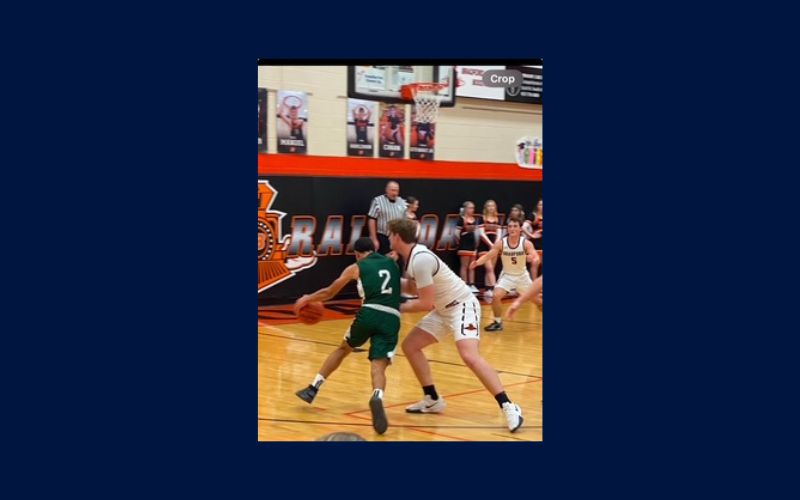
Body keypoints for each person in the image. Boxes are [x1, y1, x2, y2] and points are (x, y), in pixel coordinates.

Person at [387, 218, 524, 433]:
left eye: (389, 234)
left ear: (396, 236)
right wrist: (385, 279)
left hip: (462, 305)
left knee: (469, 355)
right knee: (410, 346)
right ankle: (432, 398)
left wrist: (394, 306)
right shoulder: (413, 257)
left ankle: (508, 405)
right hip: (444, 309)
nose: (388, 238)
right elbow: (414, 288)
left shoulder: (420, 259)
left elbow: (425, 303)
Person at [293, 237, 401, 435]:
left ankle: (313, 388)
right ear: (374, 249)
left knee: (343, 349)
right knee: (379, 364)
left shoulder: (356, 267)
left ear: (357, 254)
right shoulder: (391, 262)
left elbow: (329, 292)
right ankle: (377, 396)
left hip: (369, 312)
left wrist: (307, 298)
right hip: (392, 317)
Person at [471, 217, 539, 332]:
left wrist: (533, 259)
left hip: (522, 277)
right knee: (496, 296)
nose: (512, 229)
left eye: (515, 226)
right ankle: (498, 322)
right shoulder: (501, 243)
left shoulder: (526, 243)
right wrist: (477, 262)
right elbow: (488, 256)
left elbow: (535, 255)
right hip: (507, 276)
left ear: (520, 229)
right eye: (510, 226)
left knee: (538, 302)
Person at [367, 181, 407, 255]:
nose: (395, 193)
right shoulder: (377, 201)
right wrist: (374, 239)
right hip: (382, 237)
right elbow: (372, 219)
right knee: (382, 259)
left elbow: (405, 222)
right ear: (386, 190)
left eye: (397, 191)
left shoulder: (403, 202)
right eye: (392, 190)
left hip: (397, 238)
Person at [477, 200, 502, 298]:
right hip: (483, 246)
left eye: (492, 206)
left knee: (491, 269)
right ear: (486, 208)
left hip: (494, 246)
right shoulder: (482, 218)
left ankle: (488, 289)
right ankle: (494, 288)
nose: (491, 208)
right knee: (489, 268)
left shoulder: (497, 218)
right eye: (489, 206)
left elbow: (499, 233)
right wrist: (490, 244)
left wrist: (496, 244)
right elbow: (481, 233)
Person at [456, 201, 481, 294]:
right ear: (465, 209)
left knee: (472, 266)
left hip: (472, 246)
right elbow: (456, 234)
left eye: (473, 208)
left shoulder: (474, 220)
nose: (472, 210)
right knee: (464, 266)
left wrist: (476, 244)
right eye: (470, 208)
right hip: (464, 246)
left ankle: (471, 284)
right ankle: (464, 285)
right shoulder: (461, 219)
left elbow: (477, 234)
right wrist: (460, 243)